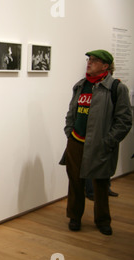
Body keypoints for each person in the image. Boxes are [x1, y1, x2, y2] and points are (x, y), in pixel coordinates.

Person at [60, 49, 132, 235]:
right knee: (75, 181)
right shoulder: (80, 85)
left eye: (94, 60)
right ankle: (74, 217)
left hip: (100, 143)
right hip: (76, 140)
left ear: (105, 66)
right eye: (89, 59)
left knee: (100, 183)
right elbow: (71, 112)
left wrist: (109, 141)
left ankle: (103, 220)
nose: (89, 63)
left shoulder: (116, 88)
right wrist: (69, 132)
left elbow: (124, 120)